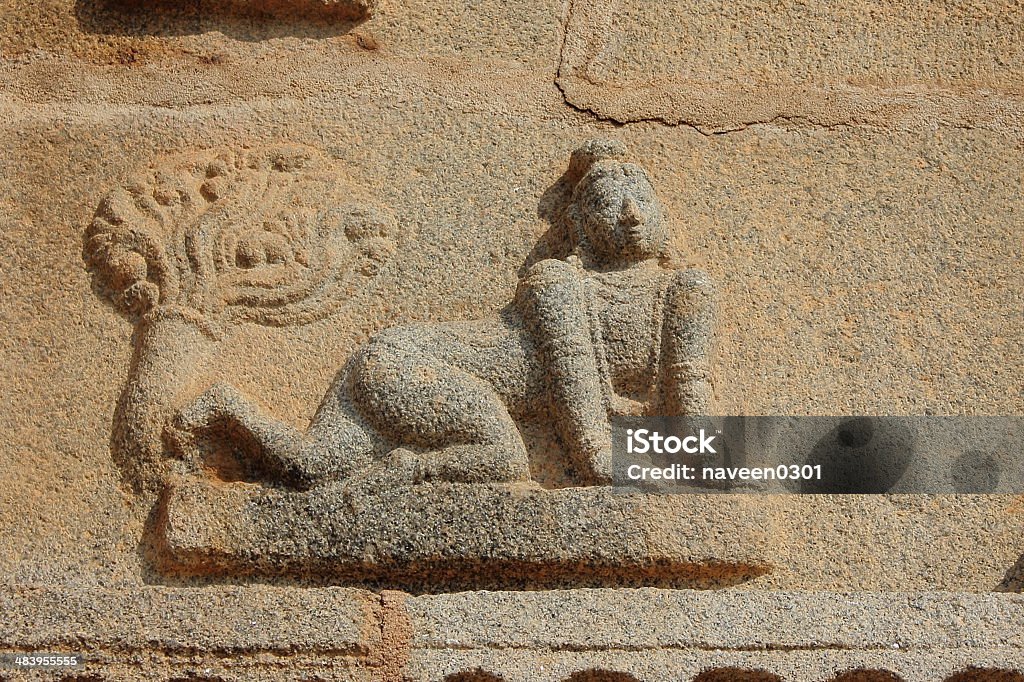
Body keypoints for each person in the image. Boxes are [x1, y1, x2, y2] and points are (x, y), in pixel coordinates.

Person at [167, 140, 715, 489]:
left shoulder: (683, 290)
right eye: (605, 202)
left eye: (640, 196)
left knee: (313, 468)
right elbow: (592, 451)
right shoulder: (559, 283)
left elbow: (692, 407)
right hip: (407, 364)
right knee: (503, 459)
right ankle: (407, 471)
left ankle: (224, 406)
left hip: (398, 368)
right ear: (577, 222)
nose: (630, 213)